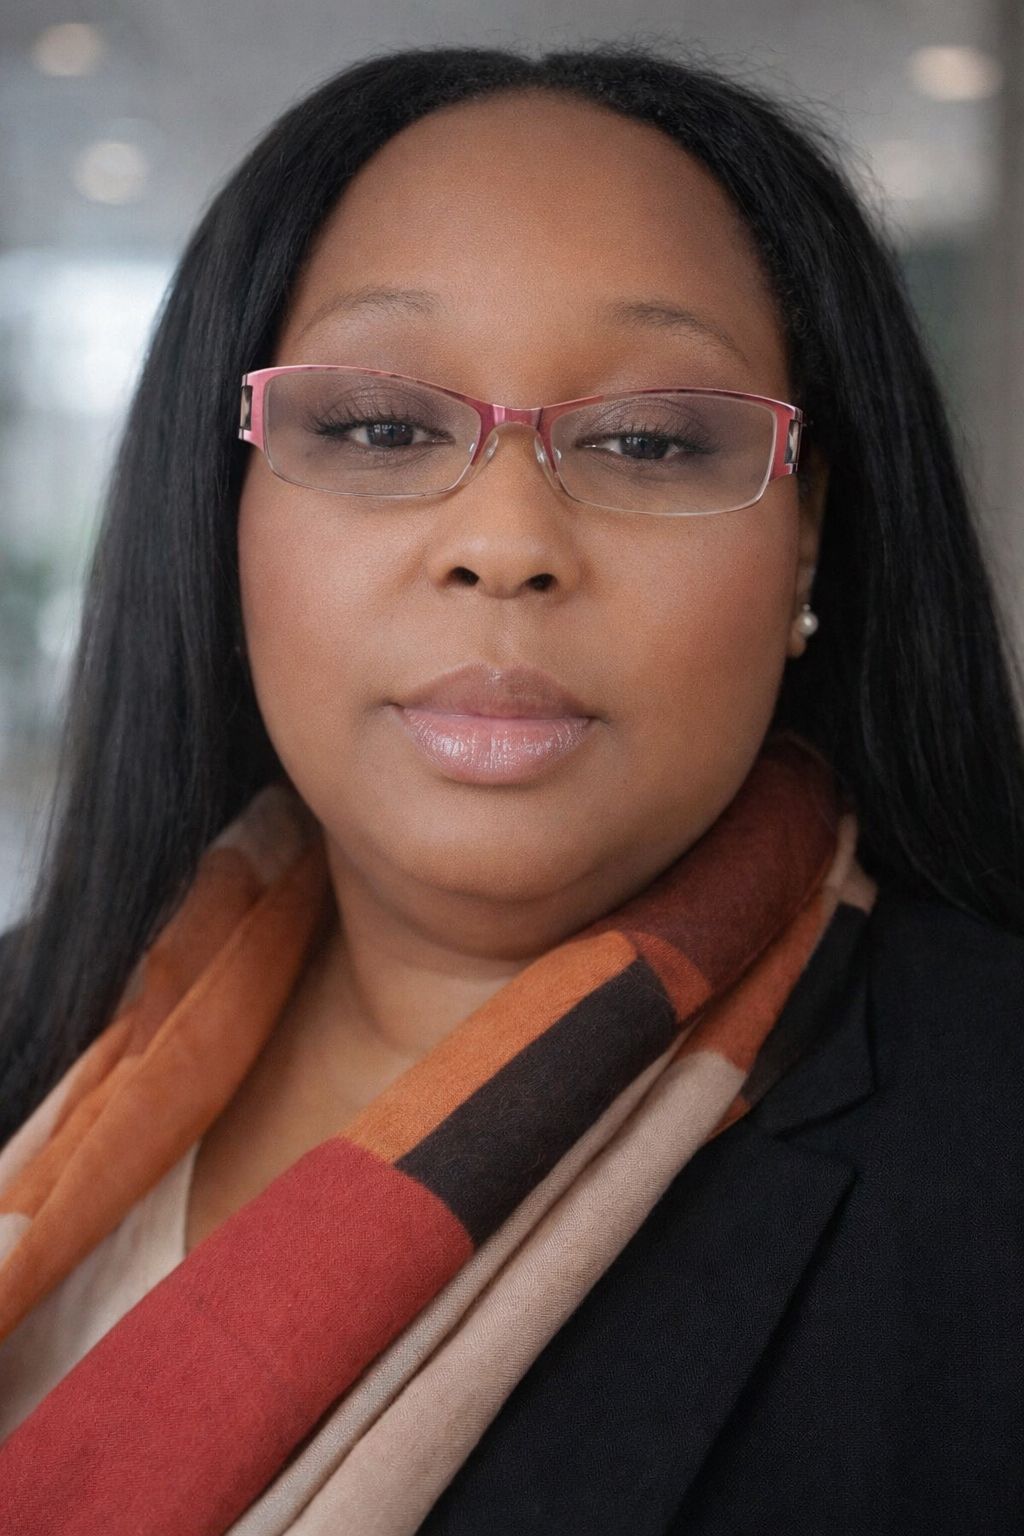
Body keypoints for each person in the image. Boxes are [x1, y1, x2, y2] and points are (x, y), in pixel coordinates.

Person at [0, 39, 1022, 1536]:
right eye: (378, 426)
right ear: (220, 512)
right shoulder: (37, 1026)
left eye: (653, 439)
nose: (504, 542)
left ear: (806, 538)